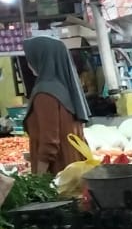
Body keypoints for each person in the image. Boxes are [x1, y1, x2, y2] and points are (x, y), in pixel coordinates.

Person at [22, 37, 89, 175]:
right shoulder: (67, 88)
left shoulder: (45, 93)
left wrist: (38, 180)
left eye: (30, 58)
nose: (28, 63)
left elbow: (49, 142)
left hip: (57, 174)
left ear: (41, 58)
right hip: (73, 171)